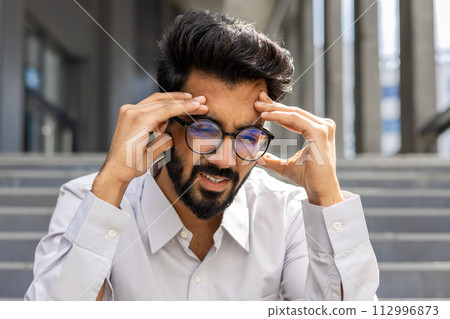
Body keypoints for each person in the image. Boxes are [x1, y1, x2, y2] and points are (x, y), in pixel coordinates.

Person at [25, 9, 378, 301]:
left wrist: (327, 197)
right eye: (205, 129)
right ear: (163, 123)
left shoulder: (288, 213)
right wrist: (113, 182)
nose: (226, 159)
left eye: (249, 136)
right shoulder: (90, 201)